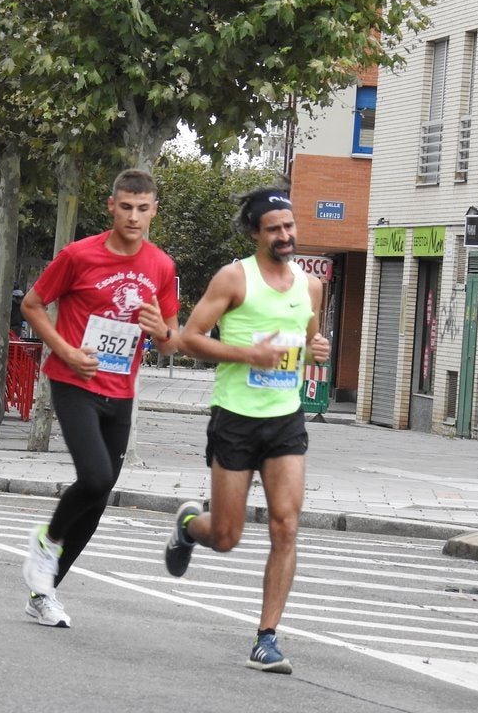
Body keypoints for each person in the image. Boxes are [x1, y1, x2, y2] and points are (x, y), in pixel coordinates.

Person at [165, 185, 330, 674]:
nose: (285, 235)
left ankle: (266, 637)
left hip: (285, 418)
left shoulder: (311, 285)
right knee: (226, 536)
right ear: (257, 233)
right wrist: (245, 354)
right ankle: (188, 527)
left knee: (286, 523)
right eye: (274, 228)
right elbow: (188, 339)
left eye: (289, 225)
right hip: (235, 418)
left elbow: (309, 337)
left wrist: (318, 349)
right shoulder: (234, 279)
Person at [20, 168, 179, 628]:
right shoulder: (78, 256)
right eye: (125, 207)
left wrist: (161, 331)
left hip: (120, 390)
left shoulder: (161, 267)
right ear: (111, 206)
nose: (134, 216)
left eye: (142, 209)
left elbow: (171, 340)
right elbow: (32, 304)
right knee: (94, 477)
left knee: (100, 494)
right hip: (73, 380)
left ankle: (44, 592)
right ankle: (47, 542)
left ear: (154, 211)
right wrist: (66, 350)